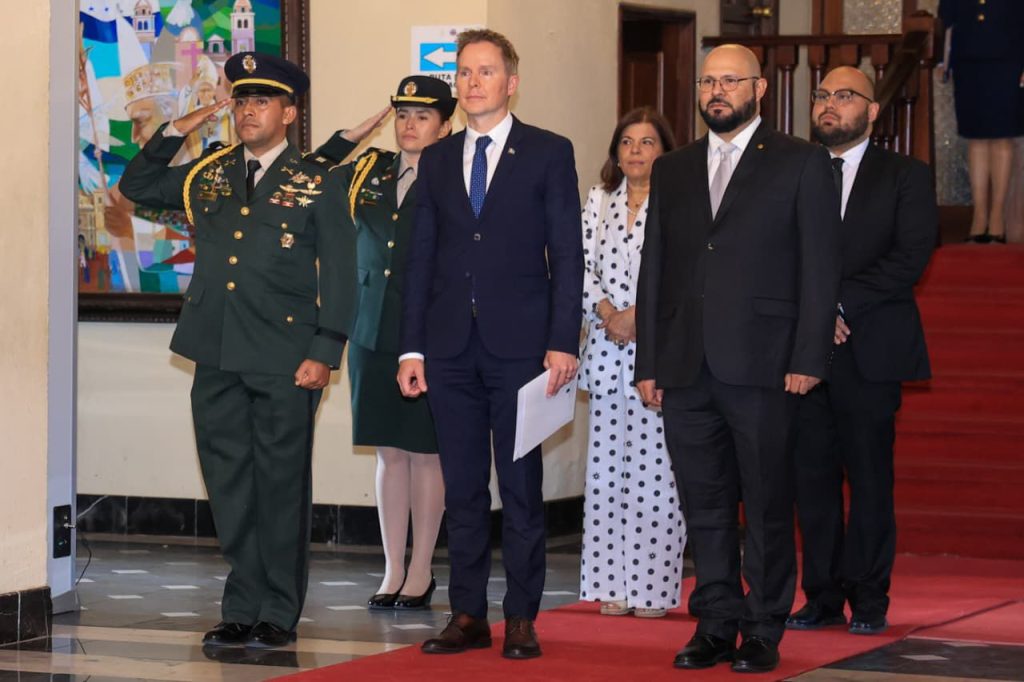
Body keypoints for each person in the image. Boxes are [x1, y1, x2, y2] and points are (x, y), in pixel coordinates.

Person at [118, 51, 357, 649]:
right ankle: (241, 604)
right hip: (216, 348)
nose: (248, 111)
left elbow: (341, 275)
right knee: (228, 484)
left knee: (280, 483)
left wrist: (325, 350)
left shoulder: (320, 181)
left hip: (285, 354)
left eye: (262, 101)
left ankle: (278, 609)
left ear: (289, 112)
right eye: (242, 100)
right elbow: (135, 185)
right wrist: (178, 128)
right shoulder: (210, 173)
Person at [634, 44, 841, 673]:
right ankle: (715, 623)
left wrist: (809, 355)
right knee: (705, 504)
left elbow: (820, 266)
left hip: (766, 364)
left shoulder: (802, 161)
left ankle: (763, 627)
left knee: (767, 502)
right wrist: (650, 362)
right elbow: (655, 268)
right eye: (708, 82)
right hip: (685, 366)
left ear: (759, 89)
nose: (716, 92)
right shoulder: (673, 168)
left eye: (730, 81)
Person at [397, 28, 583, 660]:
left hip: (523, 349)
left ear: (512, 82)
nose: (473, 82)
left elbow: (567, 253)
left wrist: (563, 340)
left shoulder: (548, 152)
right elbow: (420, 257)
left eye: (486, 71)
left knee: (522, 487)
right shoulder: (438, 158)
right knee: (464, 487)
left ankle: (522, 617)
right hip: (449, 348)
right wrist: (411, 348)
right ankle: (468, 613)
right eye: (465, 72)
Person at [787, 66, 936, 637]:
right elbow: (773, 253)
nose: (830, 105)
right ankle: (822, 596)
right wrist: (812, 314)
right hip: (804, 352)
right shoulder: (793, 170)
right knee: (812, 480)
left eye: (845, 96)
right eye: (822, 95)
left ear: (872, 111)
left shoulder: (905, 175)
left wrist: (835, 305)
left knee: (870, 479)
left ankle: (869, 597)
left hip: (870, 346)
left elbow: (910, 257)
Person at [312, 75, 456, 611]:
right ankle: (393, 566)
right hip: (370, 326)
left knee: (425, 452)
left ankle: (421, 570)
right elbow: (307, 179)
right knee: (389, 452)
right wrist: (349, 138)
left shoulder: (456, 175)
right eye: (402, 114)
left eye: (423, 116)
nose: (409, 125)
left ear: (446, 126)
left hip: (427, 332)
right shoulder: (369, 170)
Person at [578, 107, 685, 619]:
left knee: (656, 477)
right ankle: (612, 586)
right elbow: (579, 265)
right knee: (605, 475)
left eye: (647, 142)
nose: (636, 151)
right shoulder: (599, 200)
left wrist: (639, 316)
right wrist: (607, 313)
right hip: (605, 350)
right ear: (615, 152)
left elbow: (683, 273)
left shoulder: (681, 201)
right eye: (627, 142)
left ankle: (652, 590)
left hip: (657, 351)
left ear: (665, 151)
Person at [938, 0, 1024, 243]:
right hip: (968, 64)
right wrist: (943, 62)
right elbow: (946, 20)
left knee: (1002, 138)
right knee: (975, 139)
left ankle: (997, 219)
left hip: (1009, 62)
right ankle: (979, 217)